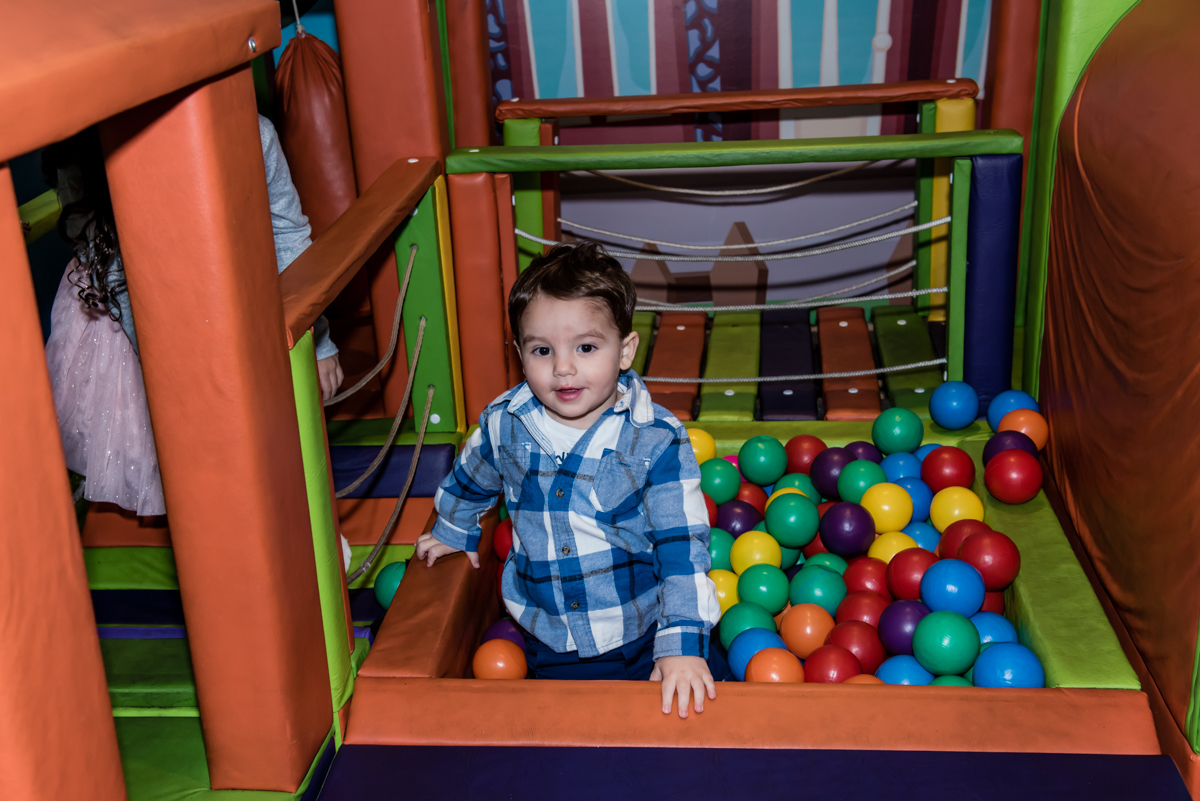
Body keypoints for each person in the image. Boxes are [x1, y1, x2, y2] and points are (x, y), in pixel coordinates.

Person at [415, 243, 727, 717]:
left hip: (646, 625)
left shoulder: (655, 438)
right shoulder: (506, 422)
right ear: (520, 354)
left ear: (625, 351)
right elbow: (473, 474)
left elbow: (681, 545)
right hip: (555, 637)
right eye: (542, 350)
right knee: (582, 733)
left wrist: (682, 642)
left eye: (586, 347)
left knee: (708, 703)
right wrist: (453, 528)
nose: (563, 368)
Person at [43, 117, 344, 518]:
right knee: (169, 447)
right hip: (130, 315)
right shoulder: (93, 151)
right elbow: (118, 275)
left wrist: (319, 340)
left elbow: (288, 234)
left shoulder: (251, 131)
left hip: (222, 303)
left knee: (258, 432)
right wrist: (166, 376)